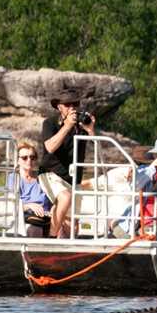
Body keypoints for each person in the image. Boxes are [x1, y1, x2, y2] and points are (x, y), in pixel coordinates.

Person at [38, 86, 96, 238]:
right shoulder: (49, 123)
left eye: (75, 104)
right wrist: (67, 125)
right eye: (67, 105)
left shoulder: (82, 125)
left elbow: (99, 151)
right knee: (65, 197)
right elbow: (50, 147)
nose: (72, 108)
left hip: (73, 178)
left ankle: (64, 249)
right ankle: (49, 239)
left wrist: (90, 131)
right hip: (51, 173)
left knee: (72, 226)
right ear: (59, 107)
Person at [8, 141, 52, 238]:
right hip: (25, 216)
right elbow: (12, 205)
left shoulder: (42, 178)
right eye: (24, 158)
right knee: (35, 229)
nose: (29, 160)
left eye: (32, 157)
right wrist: (30, 206)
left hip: (45, 216)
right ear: (18, 160)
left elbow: (52, 199)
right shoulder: (14, 178)